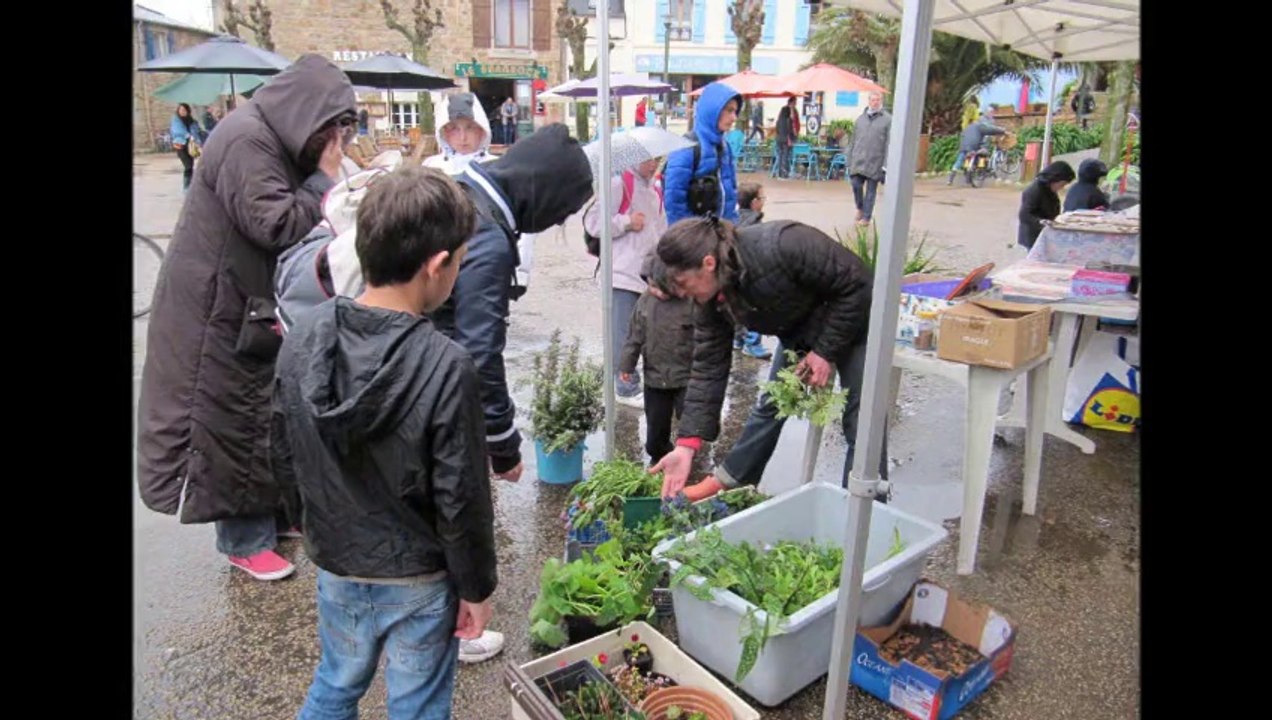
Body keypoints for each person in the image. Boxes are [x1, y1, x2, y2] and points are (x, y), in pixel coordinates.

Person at [272, 166, 497, 719]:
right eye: (460, 262)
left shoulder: (305, 336)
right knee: (417, 704)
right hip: (419, 577)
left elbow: (283, 449)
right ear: (437, 264)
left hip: (338, 562)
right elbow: (461, 494)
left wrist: (312, 527)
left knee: (336, 682)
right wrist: (476, 587)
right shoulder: (446, 365)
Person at [137, 54, 356, 581]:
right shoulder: (246, 139)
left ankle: (274, 516)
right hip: (213, 308)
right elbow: (274, 224)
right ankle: (243, 540)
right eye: (335, 130)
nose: (337, 142)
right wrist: (323, 180)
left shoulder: (266, 135)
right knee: (227, 420)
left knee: (263, 413)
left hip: (245, 300)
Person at [651, 217, 888, 502]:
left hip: (856, 319)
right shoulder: (709, 297)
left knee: (862, 421)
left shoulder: (783, 244)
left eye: (682, 283)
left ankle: (865, 510)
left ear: (708, 263)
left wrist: (825, 352)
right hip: (800, 332)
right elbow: (708, 367)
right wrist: (686, 445)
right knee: (771, 405)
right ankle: (731, 482)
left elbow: (858, 284)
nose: (681, 293)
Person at [584, 156, 668, 407]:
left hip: (646, 275)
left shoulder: (655, 189)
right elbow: (593, 223)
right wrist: (627, 222)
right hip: (621, 274)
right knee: (622, 335)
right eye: (648, 160)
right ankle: (624, 387)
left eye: (657, 160)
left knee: (642, 334)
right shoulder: (618, 183)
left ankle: (628, 380)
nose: (653, 165)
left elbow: (660, 231)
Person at [619, 254, 695, 463]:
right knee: (656, 427)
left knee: (690, 422)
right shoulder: (645, 301)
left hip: (686, 377)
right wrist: (627, 365)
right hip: (655, 378)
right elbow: (634, 336)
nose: (654, 290)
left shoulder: (691, 300)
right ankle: (660, 455)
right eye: (650, 285)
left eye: (658, 286)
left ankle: (687, 454)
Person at [665, 81, 742, 225]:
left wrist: (731, 227)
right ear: (712, 110)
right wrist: (692, 234)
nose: (734, 118)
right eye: (729, 110)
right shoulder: (686, 148)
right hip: (696, 234)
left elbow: (731, 193)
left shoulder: (725, 147)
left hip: (722, 232)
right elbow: (674, 202)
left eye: (735, 111)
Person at [732, 182, 772, 361]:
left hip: (734, 273)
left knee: (736, 306)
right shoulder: (755, 224)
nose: (763, 201)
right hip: (750, 273)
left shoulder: (733, 218)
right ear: (754, 202)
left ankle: (738, 339)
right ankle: (752, 343)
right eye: (762, 198)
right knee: (753, 308)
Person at [847, 91, 891, 226]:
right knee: (856, 184)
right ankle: (860, 207)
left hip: (876, 161)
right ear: (869, 101)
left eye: (877, 100)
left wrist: (885, 165)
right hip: (858, 160)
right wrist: (849, 159)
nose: (875, 102)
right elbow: (853, 141)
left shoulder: (888, 120)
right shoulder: (860, 119)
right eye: (873, 100)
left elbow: (889, 143)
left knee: (871, 191)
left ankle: (866, 217)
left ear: (881, 101)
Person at [423, 92, 493, 175]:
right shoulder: (431, 166)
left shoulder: (496, 167)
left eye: (470, 128)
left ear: (482, 131)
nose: (462, 137)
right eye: (454, 128)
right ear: (444, 133)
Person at [1018, 160, 1076, 250]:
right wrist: (1042, 222)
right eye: (1062, 184)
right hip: (1033, 234)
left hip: (1045, 232)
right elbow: (1024, 215)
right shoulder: (1034, 190)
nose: (1062, 187)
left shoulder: (1049, 189)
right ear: (1055, 180)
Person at [949, 110, 1008, 185]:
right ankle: (981, 172)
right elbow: (991, 130)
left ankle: (951, 179)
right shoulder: (979, 126)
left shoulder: (967, 127)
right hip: (973, 146)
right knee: (982, 155)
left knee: (960, 161)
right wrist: (1003, 131)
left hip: (963, 147)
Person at [169, 103, 204, 192]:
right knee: (187, 165)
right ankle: (186, 187)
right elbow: (178, 131)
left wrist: (198, 138)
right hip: (180, 145)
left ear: (188, 111)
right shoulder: (176, 120)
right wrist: (189, 135)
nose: (182, 112)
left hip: (191, 145)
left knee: (191, 165)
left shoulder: (192, 121)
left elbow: (197, 131)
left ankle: (190, 185)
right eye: (181, 110)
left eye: (184, 110)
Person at [774, 97, 798, 179]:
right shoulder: (788, 119)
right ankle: (784, 173)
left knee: (780, 155)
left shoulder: (779, 119)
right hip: (785, 139)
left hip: (779, 138)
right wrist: (790, 138)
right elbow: (789, 128)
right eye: (794, 103)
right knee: (785, 155)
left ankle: (780, 173)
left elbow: (777, 128)